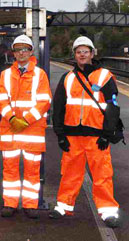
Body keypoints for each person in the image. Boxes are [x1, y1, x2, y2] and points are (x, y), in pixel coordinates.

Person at [49, 36, 120, 228]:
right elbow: (59, 107)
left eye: (85, 51)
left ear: (92, 53)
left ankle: (108, 211)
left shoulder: (104, 76)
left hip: (97, 136)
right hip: (72, 136)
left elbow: (113, 107)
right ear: (74, 55)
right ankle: (63, 206)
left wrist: (107, 133)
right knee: (69, 173)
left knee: (102, 175)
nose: (82, 54)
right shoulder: (68, 78)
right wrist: (60, 134)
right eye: (78, 51)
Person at [0, 34, 52, 219]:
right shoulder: (5, 75)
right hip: (11, 130)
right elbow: (1, 100)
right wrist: (12, 118)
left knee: (32, 170)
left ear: (31, 52)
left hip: (31, 131)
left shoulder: (39, 74)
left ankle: (30, 204)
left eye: (25, 49)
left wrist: (25, 120)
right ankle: (10, 203)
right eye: (18, 50)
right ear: (13, 53)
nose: (21, 53)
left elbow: (44, 101)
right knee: (10, 169)